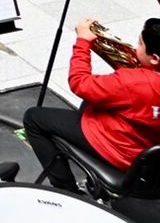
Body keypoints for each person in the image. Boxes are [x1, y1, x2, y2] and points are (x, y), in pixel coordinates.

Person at [23, 16, 160, 191]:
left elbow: (79, 82)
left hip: (123, 152)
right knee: (91, 101)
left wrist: (83, 42)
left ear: (155, 58)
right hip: (150, 149)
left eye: (140, 44)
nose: (135, 47)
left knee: (34, 118)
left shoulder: (133, 82)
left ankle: (66, 190)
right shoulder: (136, 82)